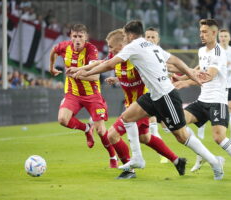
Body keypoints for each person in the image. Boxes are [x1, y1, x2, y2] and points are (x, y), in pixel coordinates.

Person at [70, 20, 225, 180]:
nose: (124, 38)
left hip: (166, 96)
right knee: (127, 117)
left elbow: (109, 64)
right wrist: (192, 73)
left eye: (125, 35)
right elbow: (175, 61)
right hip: (153, 95)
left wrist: (86, 73)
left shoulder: (133, 46)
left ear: (130, 35)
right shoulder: (149, 45)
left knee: (181, 136)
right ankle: (137, 159)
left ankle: (215, 163)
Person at [74, 29, 187, 179]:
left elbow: (166, 67)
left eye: (111, 46)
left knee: (112, 135)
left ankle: (130, 170)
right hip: (133, 106)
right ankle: (177, 160)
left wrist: (185, 72)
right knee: (145, 138)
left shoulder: (135, 58)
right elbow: (103, 63)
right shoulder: (116, 57)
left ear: (121, 45)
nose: (109, 50)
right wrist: (79, 69)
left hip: (141, 106)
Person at [174, 19, 231, 175]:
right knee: (178, 123)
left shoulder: (219, 52)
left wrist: (187, 83)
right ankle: (205, 155)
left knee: (219, 138)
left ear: (214, 33)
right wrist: (180, 78)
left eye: (205, 32)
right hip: (202, 100)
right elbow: (198, 69)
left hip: (217, 102)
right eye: (200, 32)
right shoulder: (202, 51)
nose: (201, 35)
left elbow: (208, 76)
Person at [49, 24, 117, 168]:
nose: (77, 39)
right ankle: (86, 129)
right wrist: (52, 67)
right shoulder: (64, 47)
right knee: (62, 119)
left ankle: (113, 156)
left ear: (86, 37)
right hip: (73, 93)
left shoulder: (91, 50)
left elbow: (95, 77)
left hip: (92, 94)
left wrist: (78, 74)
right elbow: (54, 50)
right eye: (75, 36)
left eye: (80, 36)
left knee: (100, 129)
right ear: (70, 37)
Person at [191, 28, 231, 172]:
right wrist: (188, 74)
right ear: (218, 36)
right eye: (222, 36)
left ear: (230, 38)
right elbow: (203, 67)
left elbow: (222, 68)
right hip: (208, 89)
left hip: (225, 85)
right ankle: (202, 148)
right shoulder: (207, 51)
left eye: (226, 36)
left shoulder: (230, 51)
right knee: (182, 121)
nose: (224, 38)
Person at [144, 27, 169, 164]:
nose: (150, 40)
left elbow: (170, 67)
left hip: (162, 94)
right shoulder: (140, 54)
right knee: (150, 124)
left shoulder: (161, 53)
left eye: (153, 37)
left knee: (173, 129)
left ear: (158, 40)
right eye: (148, 37)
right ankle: (163, 155)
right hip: (148, 95)